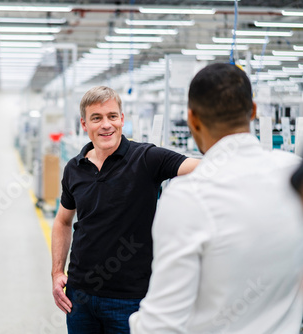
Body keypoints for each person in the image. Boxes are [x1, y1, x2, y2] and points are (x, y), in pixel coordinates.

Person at [130, 63, 303, 333]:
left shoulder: (188, 196)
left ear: (192, 119)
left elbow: (160, 325)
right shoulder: (293, 174)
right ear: (254, 111)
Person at [51, 85, 199, 333]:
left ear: (122, 119)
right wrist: (57, 272)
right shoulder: (74, 168)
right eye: (96, 118)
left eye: (112, 116)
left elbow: (200, 166)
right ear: (84, 124)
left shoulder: (147, 159)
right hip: (79, 297)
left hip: (130, 300)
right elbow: (63, 221)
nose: (106, 124)